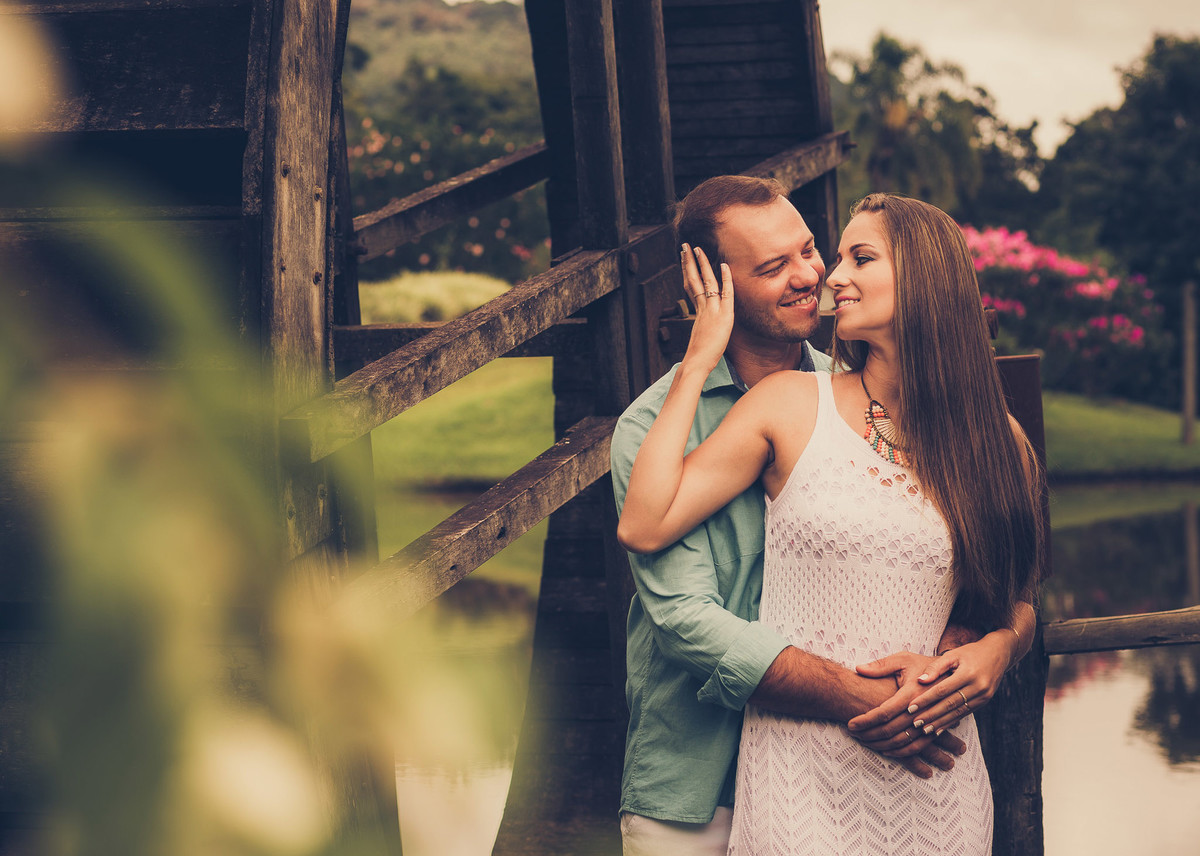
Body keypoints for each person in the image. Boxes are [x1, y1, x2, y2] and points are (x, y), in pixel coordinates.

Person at [610, 177, 1037, 855]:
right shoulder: (660, 427)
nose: (818, 275)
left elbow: (1005, 589)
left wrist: (1000, 644)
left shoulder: (980, 436)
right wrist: (873, 701)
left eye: (816, 251)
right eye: (775, 267)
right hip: (708, 783)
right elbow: (683, 613)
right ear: (717, 289)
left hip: (921, 774)